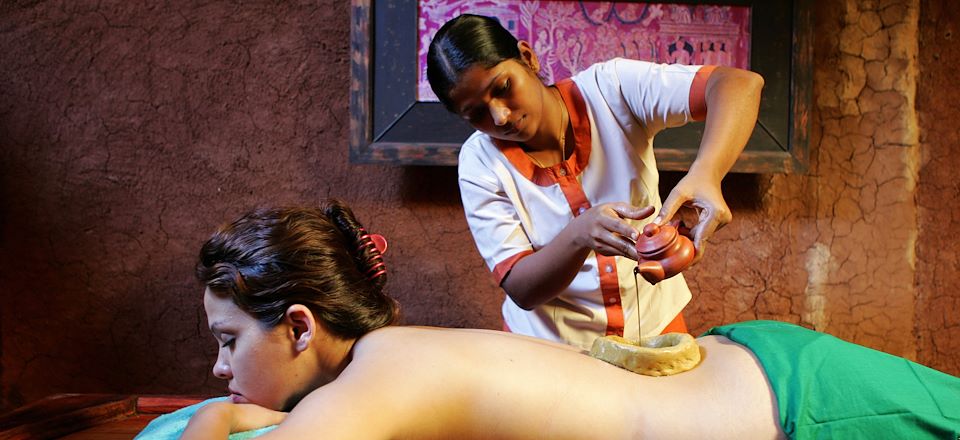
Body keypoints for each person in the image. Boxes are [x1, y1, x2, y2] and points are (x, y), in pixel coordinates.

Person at [169, 203, 959, 439]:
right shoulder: (384, 371)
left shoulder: (380, 373)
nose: (220, 369)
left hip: (794, 406)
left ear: (302, 326)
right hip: (757, 372)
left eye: (229, 341)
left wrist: (214, 420)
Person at [426, 14, 765, 348]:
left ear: (527, 57)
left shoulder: (610, 88)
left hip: (653, 325)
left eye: (502, 88)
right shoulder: (479, 163)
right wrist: (579, 234)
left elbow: (738, 85)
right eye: (476, 115)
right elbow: (522, 288)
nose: (500, 116)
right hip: (549, 351)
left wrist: (707, 173)